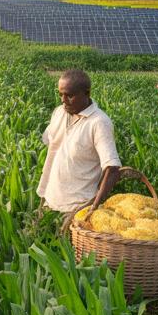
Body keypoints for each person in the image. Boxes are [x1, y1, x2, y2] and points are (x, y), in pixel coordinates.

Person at [37, 69, 121, 224]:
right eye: (60, 94)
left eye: (69, 95)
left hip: (76, 210)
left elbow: (113, 170)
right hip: (49, 199)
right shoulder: (59, 113)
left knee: (67, 247)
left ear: (87, 93)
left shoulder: (99, 122)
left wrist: (93, 207)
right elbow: (54, 148)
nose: (63, 100)